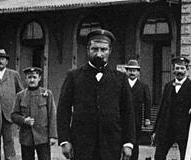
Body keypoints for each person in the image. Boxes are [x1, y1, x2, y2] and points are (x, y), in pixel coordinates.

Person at [57, 29, 135, 160]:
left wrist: (128, 143)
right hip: (82, 144)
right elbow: (63, 110)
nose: (99, 54)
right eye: (95, 49)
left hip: (111, 144)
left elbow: (128, 112)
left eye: (103, 49)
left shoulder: (120, 78)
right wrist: (65, 140)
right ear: (88, 50)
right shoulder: (74, 76)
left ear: (110, 51)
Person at [152, 56, 191, 160]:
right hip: (167, 128)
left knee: (185, 157)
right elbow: (162, 108)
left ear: (187, 70)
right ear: (173, 70)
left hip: (185, 128)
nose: (179, 71)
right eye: (177, 68)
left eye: (182, 68)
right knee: (159, 155)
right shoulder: (168, 86)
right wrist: (155, 130)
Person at [0, 48, 24, 160]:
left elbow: (21, 93)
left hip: (9, 114)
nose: (1, 61)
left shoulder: (13, 75)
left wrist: (19, 111)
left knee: (9, 141)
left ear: (7, 61)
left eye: (3, 59)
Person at [12, 67, 57, 160]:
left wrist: (52, 136)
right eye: (29, 77)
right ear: (26, 79)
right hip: (26, 138)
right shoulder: (20, 96)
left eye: (34, 77)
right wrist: (24, 120)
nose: (32, 80)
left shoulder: (47, 94)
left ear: (39, 78)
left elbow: (52, 115)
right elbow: (13, 115)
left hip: (43, 137)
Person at [124, 59, 152, 160]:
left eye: (134, 70)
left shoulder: (143, 86)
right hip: (122, 118)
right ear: (126, 71)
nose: (132, 73)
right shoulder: (122, 84)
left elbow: (148, 103)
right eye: (130, 70)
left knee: (134, 142)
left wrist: (147, 118)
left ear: (138, 72)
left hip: (136, 118)